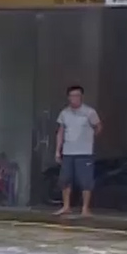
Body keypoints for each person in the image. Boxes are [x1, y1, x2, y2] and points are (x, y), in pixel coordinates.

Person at [55, 85, 101, 217]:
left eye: (77, 96)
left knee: (85, 181)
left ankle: (85, 208)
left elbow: (98, 127)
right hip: (68, 152)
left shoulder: (89, 112)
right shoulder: (64, 113)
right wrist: (58, 151)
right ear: (68, 97)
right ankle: (66, 206)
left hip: (84, 152)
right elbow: (60, 132)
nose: (74, 98)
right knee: (65, 179)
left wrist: (89, 138)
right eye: (72, 96)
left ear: (81, 97)